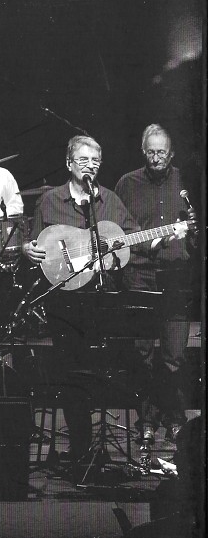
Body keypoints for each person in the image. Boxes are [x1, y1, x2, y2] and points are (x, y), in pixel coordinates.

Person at [23, 135, 138, 466]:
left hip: (103, 299)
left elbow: (131, 235)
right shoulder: (50, 201)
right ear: (69, 163)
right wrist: (27, 250)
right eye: (84, 160)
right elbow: (33, 242)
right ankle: (81, 447)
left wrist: (152, 238)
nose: (90, 166)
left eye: (95, 161)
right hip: (63, 301)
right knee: (71, 373)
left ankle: (98, 447)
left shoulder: (110, 200)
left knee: (100, 371)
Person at [114, 124, 197, 444]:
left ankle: (174, 417)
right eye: (151, 152)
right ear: (143, 152)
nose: (156, 157)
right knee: (143, 353)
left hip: (176, 276)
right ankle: (147, 420)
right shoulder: (127, 184)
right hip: (139, 275)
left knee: (174, 355)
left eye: (162, 152)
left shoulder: (186, 182)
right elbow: (117, 231)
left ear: (171, 154)